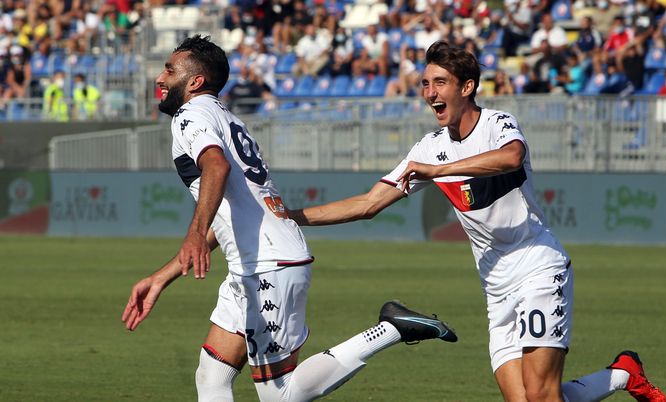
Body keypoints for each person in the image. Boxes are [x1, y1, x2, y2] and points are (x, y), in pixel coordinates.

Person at [288, 41, 666, 402]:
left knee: (540, 394)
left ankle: (623, 373)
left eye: (440, 83)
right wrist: (288, 217)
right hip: (495, 287)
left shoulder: (497, 124)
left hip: (538, 266)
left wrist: (439, 171)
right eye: (425, 83)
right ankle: (622, 373)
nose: (429, 93)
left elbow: (511, 158)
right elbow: (369, 203)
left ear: (467, 87)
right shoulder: (429, 147)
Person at [121, 35, 457, 402]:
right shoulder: (223, 116)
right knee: (212, 376)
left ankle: (391, 328)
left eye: (169, 70)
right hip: (255, 264)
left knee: (279, 395)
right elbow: (231, 210)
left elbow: (214, 167)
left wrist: (195, 233)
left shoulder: (190, 115)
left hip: (268, 266)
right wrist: (163, 275)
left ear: (195, 82)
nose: (160, 78)